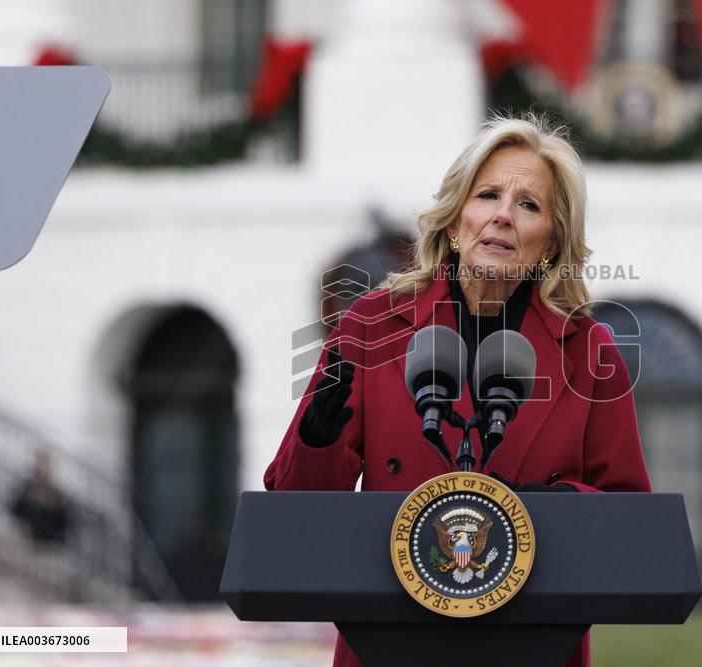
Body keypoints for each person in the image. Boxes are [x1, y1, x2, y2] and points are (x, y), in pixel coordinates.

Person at [265, 115, 651, 667]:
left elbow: (629, 522)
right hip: (389, 640)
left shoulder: (590, 352)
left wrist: (556, 509)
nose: (502, 215)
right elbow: (295, 514)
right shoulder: (370, 326)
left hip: (529, 643)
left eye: (529, 205)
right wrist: (317, 438)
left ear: (552, 242)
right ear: (453, 220)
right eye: (488, 194)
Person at [10, 449, 70, 545]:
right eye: (40, 464)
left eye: (46, 465)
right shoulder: (26, 488)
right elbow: (15, 510)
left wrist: (52, 505)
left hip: (48, 542)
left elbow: (62, 522)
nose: (42, 469)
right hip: (27, 539)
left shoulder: (56, 494)